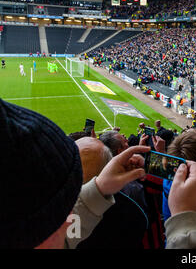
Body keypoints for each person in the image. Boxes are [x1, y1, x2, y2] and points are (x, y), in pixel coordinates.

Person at [0, 98, 150, 249]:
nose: (70, 217)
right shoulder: (133, 214)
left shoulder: (33, 236)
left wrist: (99, 189)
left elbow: (68, 236)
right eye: (60, 207)